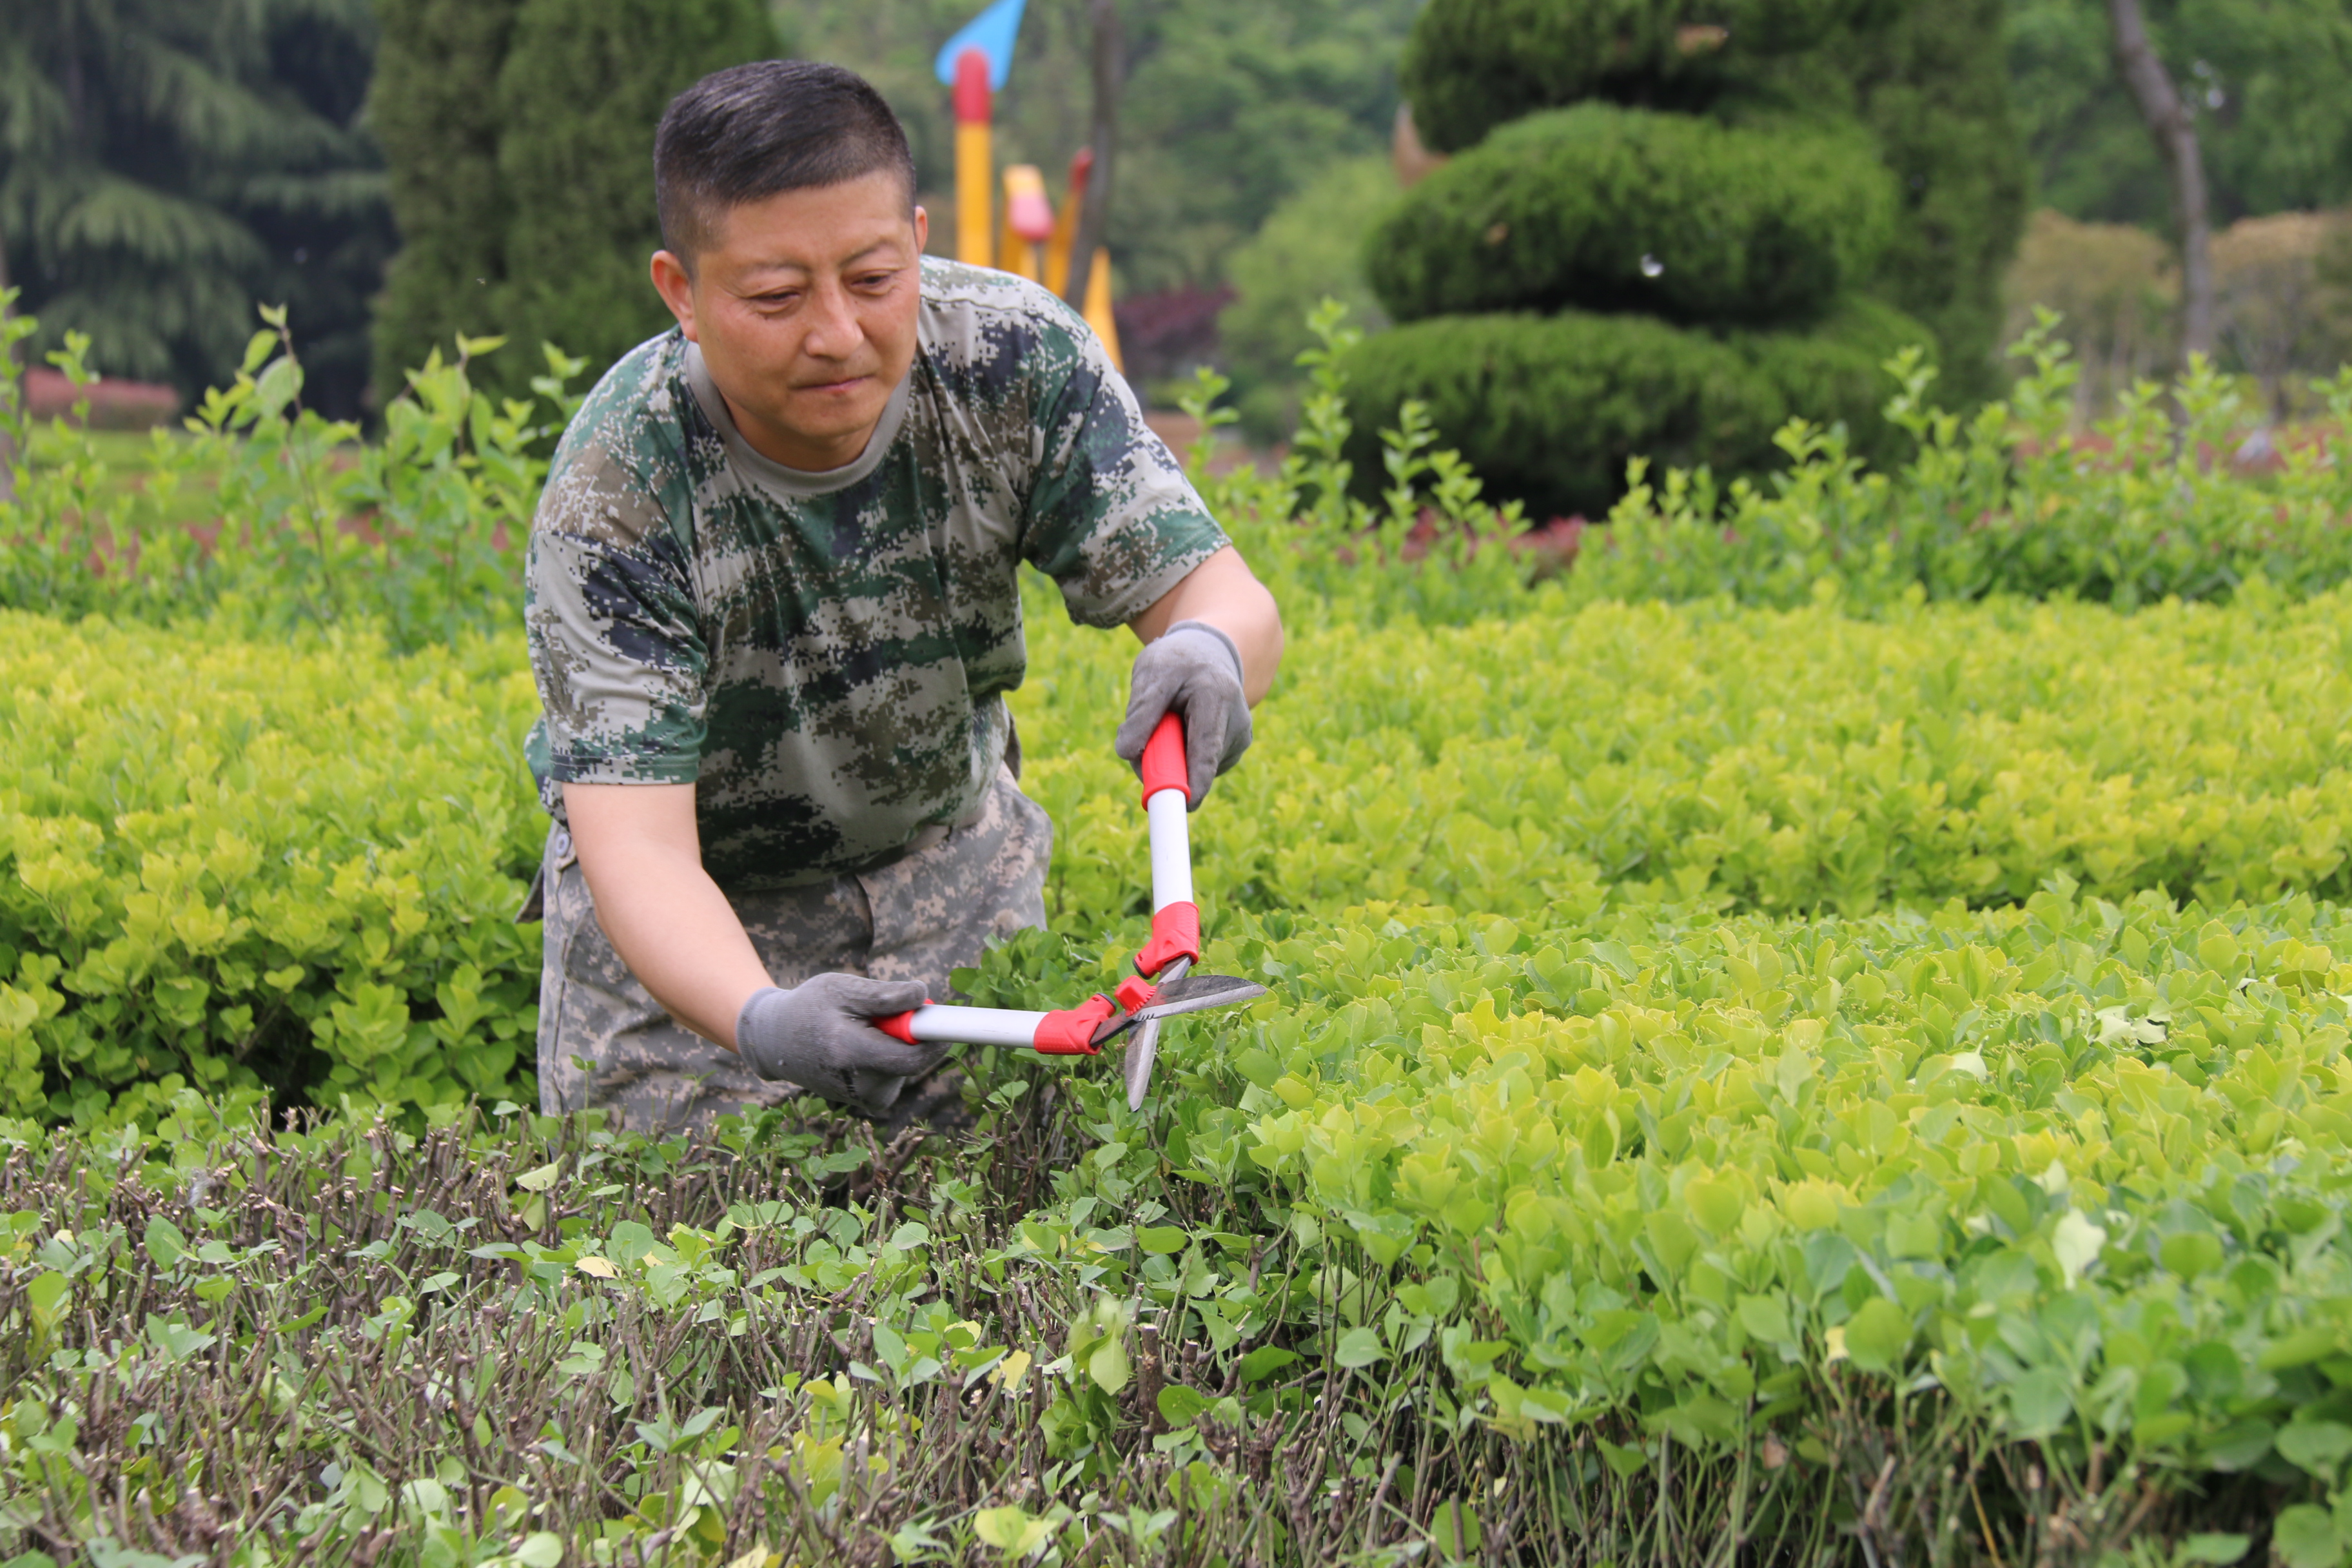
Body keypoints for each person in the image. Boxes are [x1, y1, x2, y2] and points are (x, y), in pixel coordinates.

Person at [518, 59, 1282, 1134]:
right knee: (675, 1278)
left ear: (919, 238)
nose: (836, 332)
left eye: (874, 279)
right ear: (681, 292)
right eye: (777, 298)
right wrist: (762, 1019)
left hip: (954, 896)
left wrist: (1209, 649)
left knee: (1007, 1261)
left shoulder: (1011, 360)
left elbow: (1221, 592)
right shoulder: (622, 485)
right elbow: (635, 845)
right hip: (692, 969)